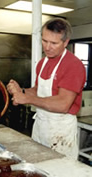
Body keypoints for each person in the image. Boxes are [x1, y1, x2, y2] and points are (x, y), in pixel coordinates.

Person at [7, 18, 86, 160]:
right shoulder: (43, 63)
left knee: (59, 171)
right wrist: (22, 91)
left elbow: (63, 104)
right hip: (41, 126)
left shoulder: (73, 65)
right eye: (44, 41)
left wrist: (27, 99)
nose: (47, 47)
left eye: (54, 43)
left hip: (60, 132)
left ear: (66, 42)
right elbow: (38, 91)